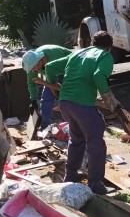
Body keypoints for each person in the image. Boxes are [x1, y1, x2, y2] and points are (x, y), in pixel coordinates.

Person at [44, 31, 120, 195]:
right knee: (96, 144)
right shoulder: (104, 56)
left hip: (65, 104)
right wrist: (109, 99)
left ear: (92, 42)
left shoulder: (77, 53)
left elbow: (49, 67)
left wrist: (54, 87)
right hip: (82, 105)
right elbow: (99, 75)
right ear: (109, 47)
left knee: (77, 139)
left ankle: (70, 177)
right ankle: (95, 184)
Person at [21, 45, 72, 129]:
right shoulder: (32, 65)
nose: (33, 71)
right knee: (46, 98)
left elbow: (56, 86)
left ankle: (73, 125)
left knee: (68, 99)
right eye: (32, 70)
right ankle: (44, 125)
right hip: (51, 73)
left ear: (39, 62)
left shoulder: (54, 56)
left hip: (67, 70)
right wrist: (33, 100)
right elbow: (31, 83)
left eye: (34, 68)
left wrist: (60, 95)